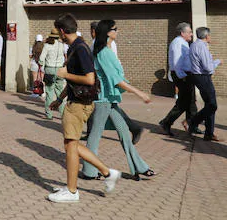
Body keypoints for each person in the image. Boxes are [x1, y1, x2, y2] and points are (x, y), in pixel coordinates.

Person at [49, 14, 121, 203]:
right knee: (71, 145)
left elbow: (89, 79)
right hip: (76, 102)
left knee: (71, 145)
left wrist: (65, 74)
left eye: (59, 33)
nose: (59, 36)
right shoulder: (76, 47)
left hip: (79, 106)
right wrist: (60, 98)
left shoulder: (80, 49)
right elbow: (75, 79)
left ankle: (72, 191)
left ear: (63, 31)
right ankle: (107, 172)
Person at [81, 20, 154, 181]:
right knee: (95, 135)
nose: (118, 31)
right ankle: (89, 170)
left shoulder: (106, 50)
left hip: (110, 99)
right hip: (103, 100)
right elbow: (116, 79)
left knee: (124, 134)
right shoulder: (103, 53)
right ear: (108, 32)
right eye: (115, 29)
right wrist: (140, 93)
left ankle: (139, 167)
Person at [158, 23, 198, 136]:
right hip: (182, 75)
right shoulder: (178, 43)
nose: (191, 34)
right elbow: (176, 62)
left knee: (190, 100)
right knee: (184, 102)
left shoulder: (184, 43)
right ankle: (166, 122)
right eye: (189, 32)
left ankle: (192, 124)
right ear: (182, 33)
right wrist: (182, 76)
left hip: (186, 75)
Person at [188, 27, 223, 142]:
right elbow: (208, 68)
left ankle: (209, 133)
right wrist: (217, 62)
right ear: (207, 36)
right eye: (210, 35)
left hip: (198, 77)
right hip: (203, 77)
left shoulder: (194, 45)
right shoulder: (202, 47)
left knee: (209, 105)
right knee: (213, 105)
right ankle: (194, 121)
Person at [40, 27, 67, 119]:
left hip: (49, 70)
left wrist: (41, 64)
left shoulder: (47, 45)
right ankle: (63, 114)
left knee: (49, 93)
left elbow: (41, 59)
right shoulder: (61, 45)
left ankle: (49, 114)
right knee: (60, 93)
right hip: (60, 70)